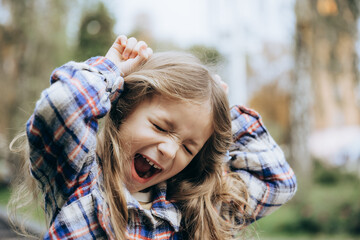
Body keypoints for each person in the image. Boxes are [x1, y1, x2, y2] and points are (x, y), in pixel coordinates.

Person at [9, 35, 297, 240]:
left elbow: (278, 182)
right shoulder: (80, 180)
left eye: (188, 146)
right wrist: (110, 74)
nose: (171, 151)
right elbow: (61, 106)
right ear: (123, 109)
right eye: (161, 127)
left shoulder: (194, 209)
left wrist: (221, 115)